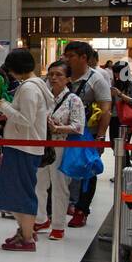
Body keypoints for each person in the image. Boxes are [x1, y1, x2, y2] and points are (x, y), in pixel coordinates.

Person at [0, 49, 54, 252]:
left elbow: (26, 119)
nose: (9, 73)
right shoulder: (36, 86)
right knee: (19, 190)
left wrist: (4, 106)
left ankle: (27, 238)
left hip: (23, 146)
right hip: (25, 145)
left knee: (21, 192)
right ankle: (24, 231)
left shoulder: (29, 89)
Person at [35, 62, 85, 242]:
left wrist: (57, 128)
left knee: (59, 187)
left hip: (61, 146)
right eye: (51, 74)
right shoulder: (43, 97)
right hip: (42, 145)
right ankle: (41, 218)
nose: (53, 78)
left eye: (58, 75)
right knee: (39, 184)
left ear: (68, 79)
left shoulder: (74, 100)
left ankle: (58, 225)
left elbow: (78, 126)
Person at [64, 40, 111, 228]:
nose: (67, 60)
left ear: (84, 58)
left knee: (87, 172)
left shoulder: (97, 79)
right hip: (62, 134)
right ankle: (60, 207)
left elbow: (105, 110)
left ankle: (82, 210)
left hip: (87, 135)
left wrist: (100, 138)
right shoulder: (62, 75)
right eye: (65, 56)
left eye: (71, 56)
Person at [109, 60, 132, 142]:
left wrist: (120, 94)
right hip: (114, 116)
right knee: (114, 143)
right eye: (115, 73)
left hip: (127, 118)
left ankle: (126, 155)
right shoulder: (114, 82)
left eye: (118, 72)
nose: (116, 75)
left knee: (123, 145)